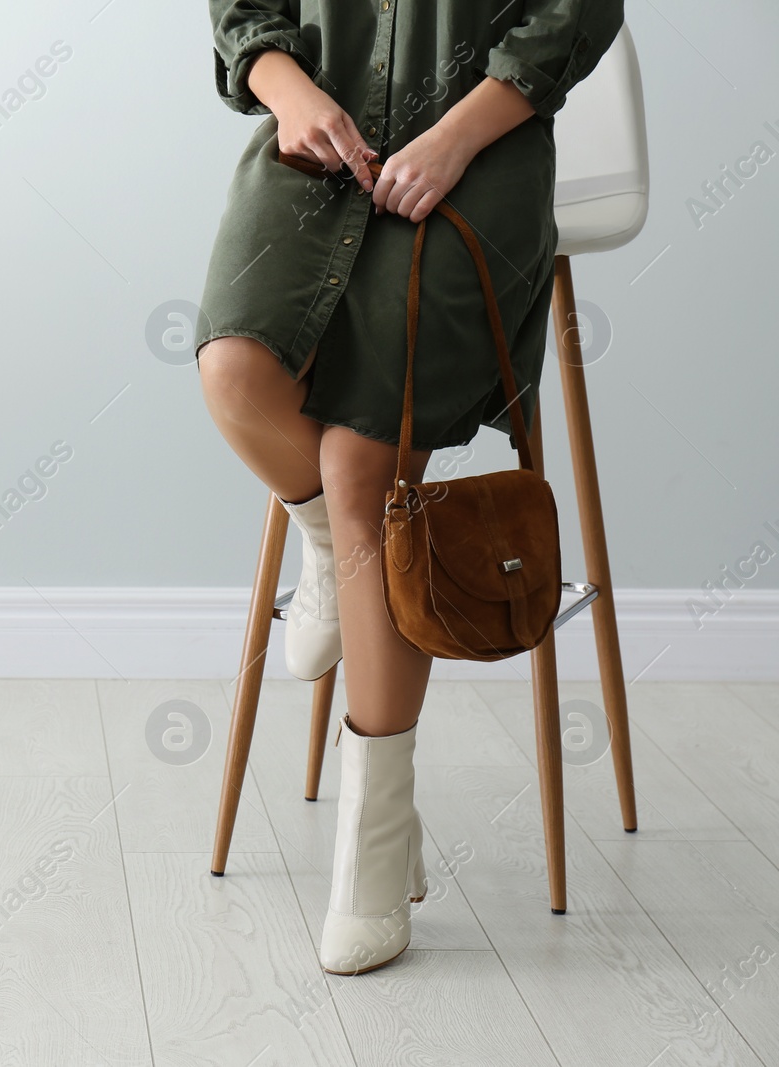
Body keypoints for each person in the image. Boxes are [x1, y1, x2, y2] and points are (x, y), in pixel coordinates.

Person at [197, 0, 625, 975]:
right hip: (319, 145)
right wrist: (285, 86)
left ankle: (374, 848)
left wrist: (452, 137)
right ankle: (325, 548)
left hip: (479, 156)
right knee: (233, 369)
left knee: (360, 459)